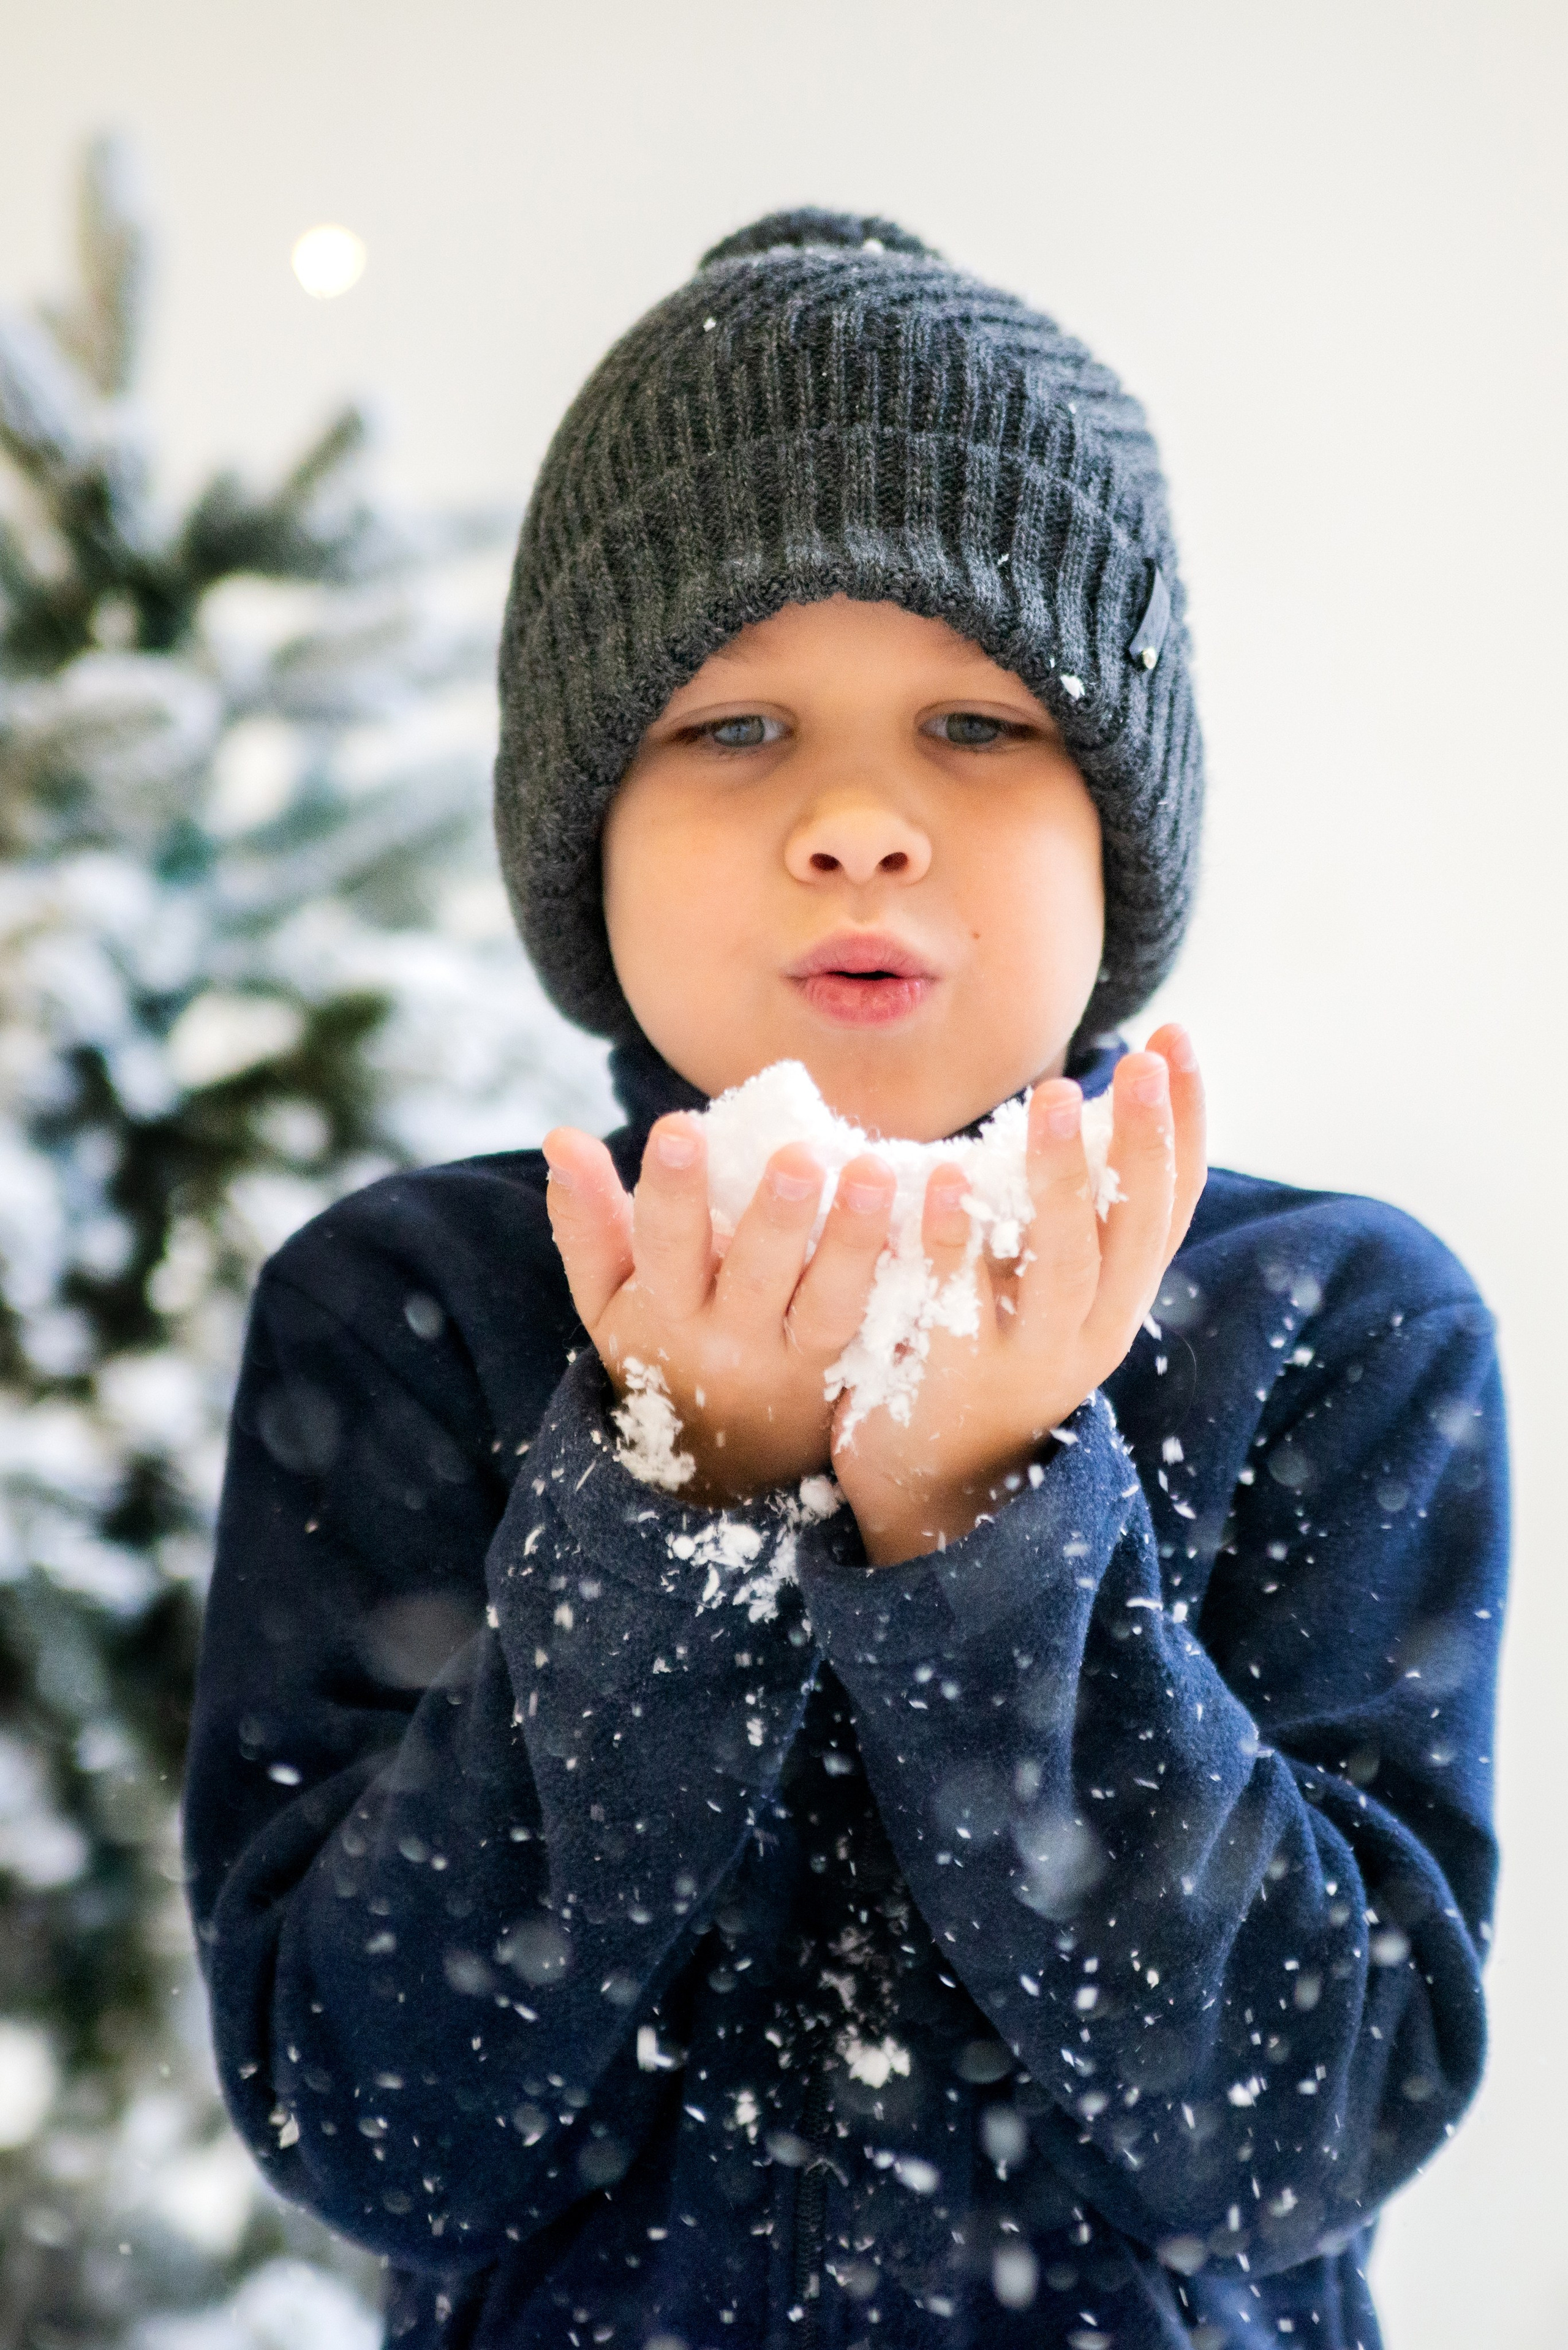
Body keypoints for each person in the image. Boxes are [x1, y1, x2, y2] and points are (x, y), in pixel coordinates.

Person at [184, 211, 1507, 2350]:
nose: (863, 820)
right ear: (581, 832)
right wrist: (677, 1495)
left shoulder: (1330, 1333)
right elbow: (373, 2120)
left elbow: (1300, 2128)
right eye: (735, 728)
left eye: (978, 721)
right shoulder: (409, 1314)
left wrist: (989, 1527)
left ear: (1122, 829)